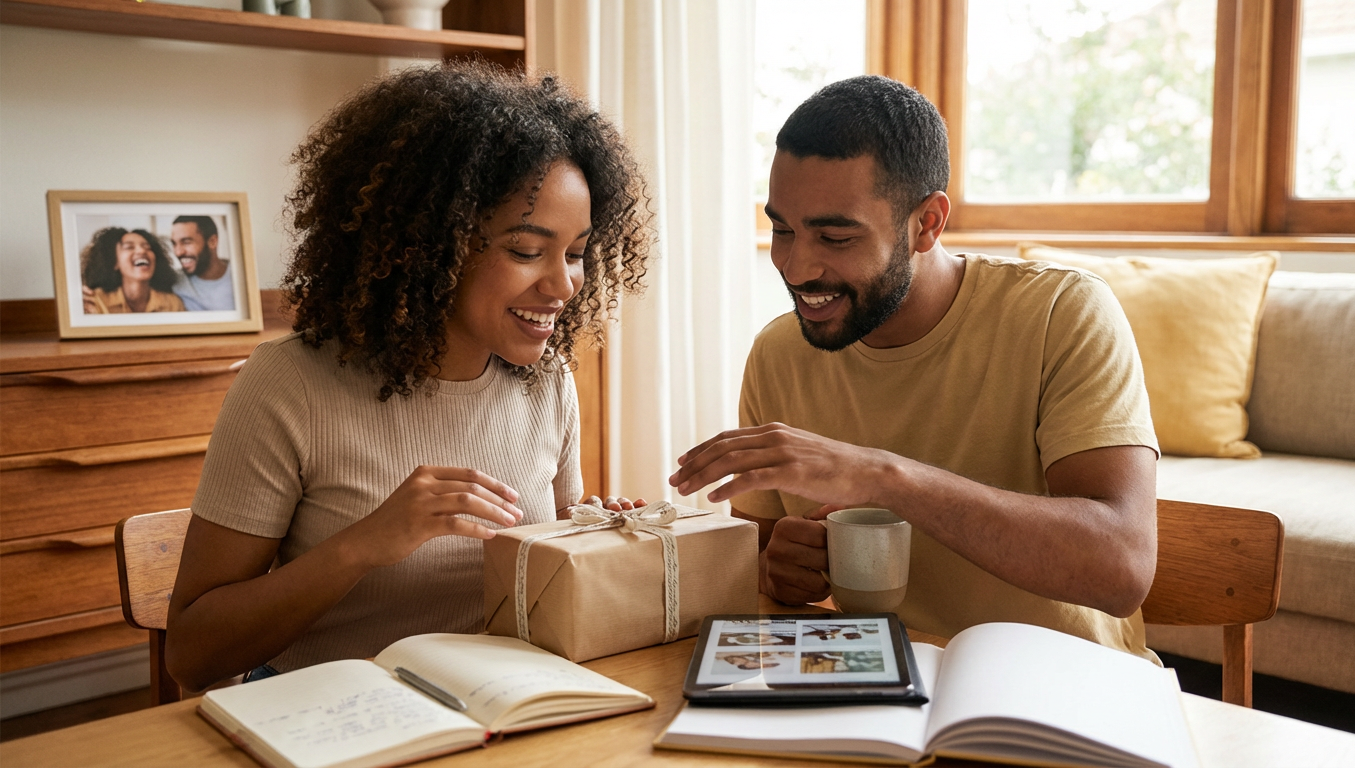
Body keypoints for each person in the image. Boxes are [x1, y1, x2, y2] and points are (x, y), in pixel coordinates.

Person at [166, 62, 650, 692]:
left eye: (577, 253)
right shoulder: (291, 385)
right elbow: (193, 654)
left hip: (502, 702)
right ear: (428, 244)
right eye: (527, 251)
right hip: (332, 712)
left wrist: (598, 537)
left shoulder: (546, 381)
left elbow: (547, 582)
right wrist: (363, 545)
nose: (563, 285)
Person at [669, 76, 1161, 660]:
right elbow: (762, 558)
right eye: (782, 229)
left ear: (927, 223)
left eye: (835, 236)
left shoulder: (1062, 312)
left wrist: (881, 478)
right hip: (870, 675)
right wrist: (777, 567)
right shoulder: (779, 354)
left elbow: (1122, 568)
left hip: (1060, 683)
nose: (796, 268)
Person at [80, 227, 185, 313]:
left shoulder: (173, 304)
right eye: (129, 247)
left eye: (147, 247)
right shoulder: (95, 300)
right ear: (114, 262)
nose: (142, 251)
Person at [169, 215, 235, 311]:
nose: (178, 252)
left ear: (212, 242)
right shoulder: (174, 282)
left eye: (186, 242)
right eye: (174, 243)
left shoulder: (240, 278)